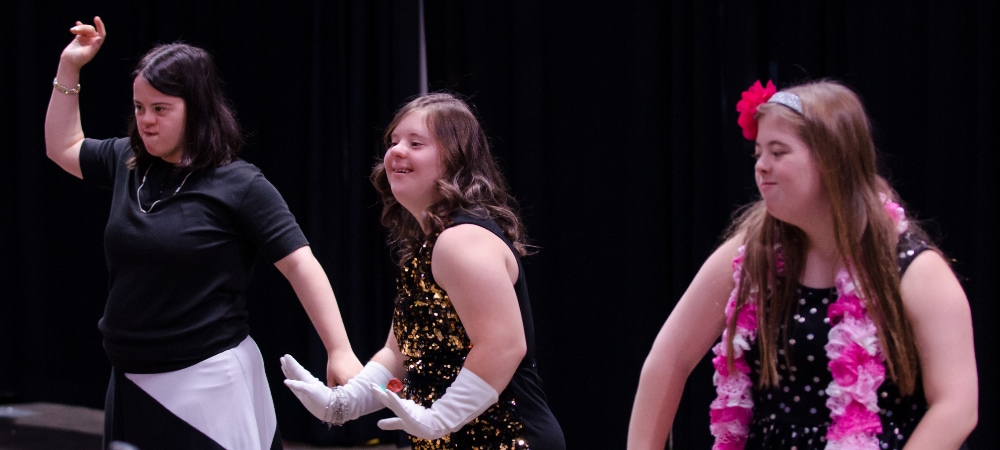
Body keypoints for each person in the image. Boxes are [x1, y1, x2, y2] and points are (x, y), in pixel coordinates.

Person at [44, 17, 363, 449]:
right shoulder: (128, 162)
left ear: (196, 109)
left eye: (161, 109)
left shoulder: (240, 184)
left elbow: (301, 265)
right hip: (131, 377)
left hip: (207, 383)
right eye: (139, 108)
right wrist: (70, 67)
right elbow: (62, 147)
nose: (146, 122)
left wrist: (339, 350)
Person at [627, 80, 978, 449]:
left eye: (778, 152)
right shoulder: (752, 253)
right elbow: (668, 359)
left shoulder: (913, 268)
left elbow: (956, 406)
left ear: (833, 161)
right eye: (758, 153)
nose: (761, 167)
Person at [281, 92, 566, 449]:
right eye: (394, 141)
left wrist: (442, 417)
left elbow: (504, 344)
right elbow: (398, 352)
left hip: (504, 439)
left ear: (455, 159)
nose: (396, 151)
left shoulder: (460, 241)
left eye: (416, 143)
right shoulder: (429, 247)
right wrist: (347, 402)